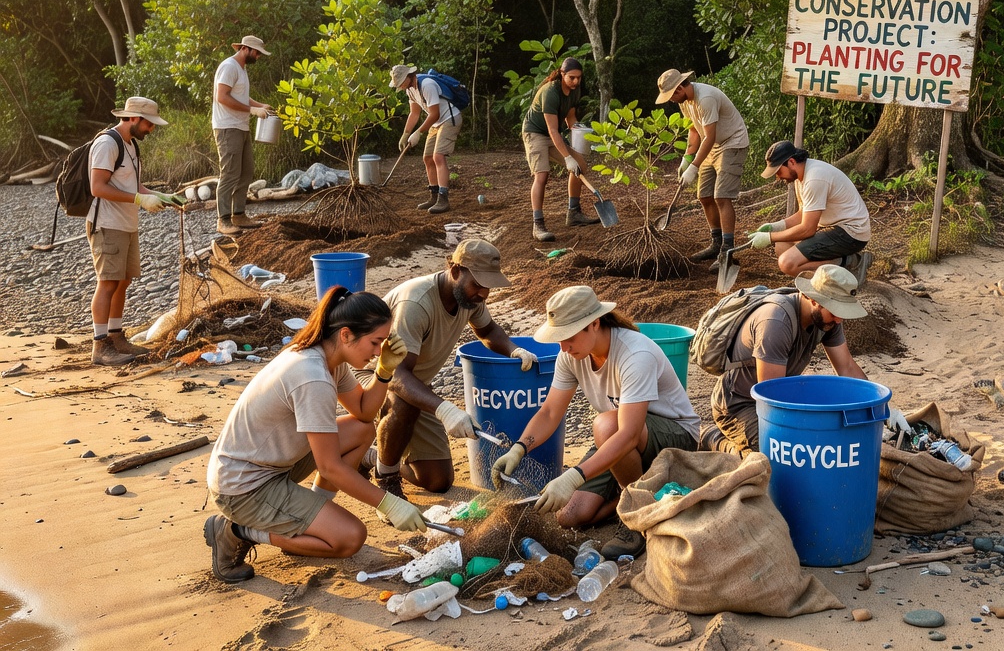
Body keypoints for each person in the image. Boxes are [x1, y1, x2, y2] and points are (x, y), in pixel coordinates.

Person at [203, 288, 427, 583]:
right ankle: (234, 531)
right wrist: (389, 503)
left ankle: (308, 523)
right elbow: (329, 466)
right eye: (375, 343)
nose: (377, 351)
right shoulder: (313, 376)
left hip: (271, 464)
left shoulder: (326, 357)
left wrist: (384, 371)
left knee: (361, 430)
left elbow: (362, 412)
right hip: (243, 487)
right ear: (346, 335)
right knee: (349, 538)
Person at [492, 286, 699, 557]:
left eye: (568, 337)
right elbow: (550, 412)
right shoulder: (571, 356)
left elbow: (627, 434)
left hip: (675, 436)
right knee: (569, 516)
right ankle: (640, 492)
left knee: (605, 425)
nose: (563, 347)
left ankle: (638, 513)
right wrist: (519, 448)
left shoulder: (635, 355)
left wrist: (573, 476)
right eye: (558, 339)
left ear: (594, 323)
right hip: (625, 440)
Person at [363, 239, 537, 498]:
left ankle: (371, 456)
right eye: (477, 285)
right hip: (373, 374)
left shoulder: (468, 298)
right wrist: (444, 409)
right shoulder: (416, 304)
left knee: (437, 480)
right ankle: (386, 481)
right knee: (404, 402)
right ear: (455, 271)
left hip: (412, 382)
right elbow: (396, 376)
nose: (483, 294)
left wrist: (514, 349)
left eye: (488, 286)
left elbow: (488, 330)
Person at [700, 264, 908, 455]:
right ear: (814, 299)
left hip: (778, 395)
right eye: (836, 311)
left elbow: (847, 367)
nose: (840, 319)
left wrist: (882, 410)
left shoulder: (829, 320)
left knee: (819, 443)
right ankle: (713, 439)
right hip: (739, 404)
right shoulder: (776, 321)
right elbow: (772, 399)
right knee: (784, 452)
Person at [87, 97, 183, 367]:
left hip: (127, 224)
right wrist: (139, 201)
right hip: (107, 223)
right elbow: (97, 187)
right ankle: (100, 345)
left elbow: (136, 186)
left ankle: (116, 337)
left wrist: (163, 196)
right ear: (133, 118)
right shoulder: (108, 143)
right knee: (107, 282)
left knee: (123, 281)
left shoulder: (130, 146)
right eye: (149, 124)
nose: (151, 129)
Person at [656, 69, 751, 266]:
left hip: (732, 143)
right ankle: (716, 242)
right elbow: (694, 131)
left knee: (721, 196)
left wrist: (694, 167)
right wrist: (687, 158)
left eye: (672, 95)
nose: (671, 100)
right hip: (713, 145)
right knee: (704, 196)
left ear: (680, 87)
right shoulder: (685, 103)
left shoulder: (705, 98)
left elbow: (710, 136)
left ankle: (727, 250)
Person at [751, 140, 873, 285]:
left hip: (850, 233)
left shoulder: (815, 178)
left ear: (791, 162)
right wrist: (775, 227)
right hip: (832, 228)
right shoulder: (800, 177)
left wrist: (769, 237)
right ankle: (840, 263)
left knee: (787, 263)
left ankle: (851, 264)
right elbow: (804, 213)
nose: (778, 177)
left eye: (778, 171)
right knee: (782, 246)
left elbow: (808, 229)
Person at [522, 57, 596, 242]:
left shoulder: (574, 90)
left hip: (551, 134)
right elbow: (552, 130)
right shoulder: (550, 92)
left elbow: (570, 119)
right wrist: (566, 157)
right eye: (571, 77)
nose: (576, 81)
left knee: (580, 165)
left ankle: (574, 213)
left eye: (579, 78)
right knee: (542, 175)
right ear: (562, 74)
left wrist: (583, 136)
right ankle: (537, 224)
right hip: (535, 133)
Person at [212, 35, 273, 236]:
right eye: (257, 53)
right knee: (229, 173)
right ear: (246, 49)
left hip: (241, 127)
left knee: (246, 172)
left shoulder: (241, 69)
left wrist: (259, 106)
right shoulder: (229, 66)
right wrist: (251, 111)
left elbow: (240, 96)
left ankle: (239, 214)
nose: (258, 57)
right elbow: (222, 97)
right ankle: (223, 220)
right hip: (227, 127)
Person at [390, 64, 462, 215]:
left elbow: (434, 114)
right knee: (427, 158)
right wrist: (406, 133)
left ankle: (443, 199)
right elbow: (414, 114)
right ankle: (434, 195)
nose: (400, 87)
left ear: (408, 77)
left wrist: (418, 132)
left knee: (438, 156)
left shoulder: (427, 85)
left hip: (449, 119)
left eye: (400, 83)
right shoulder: (410, 89)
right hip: (436, 123)